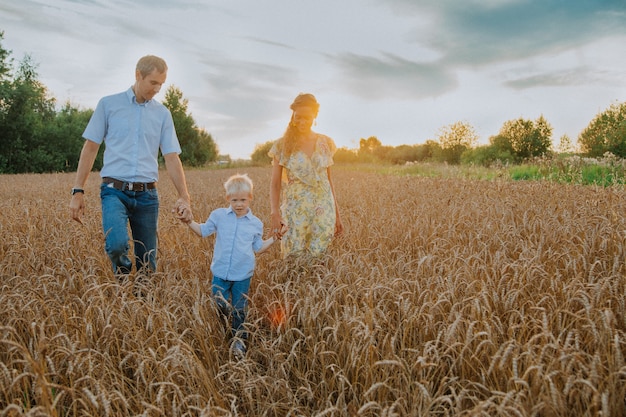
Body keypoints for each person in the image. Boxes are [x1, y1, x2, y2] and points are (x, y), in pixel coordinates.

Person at [69, 55, 193, 279]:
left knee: (147, 264)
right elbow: (90, 148)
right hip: (114, 191)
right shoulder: (108, 105)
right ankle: (123, 277)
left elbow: (172, 157)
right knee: (116, 245)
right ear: (138, 75)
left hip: (147, 196)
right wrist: (78, 190)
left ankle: (141, 305)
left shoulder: (163, 114)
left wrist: (184, 196)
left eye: (161, 84)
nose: (157, 89)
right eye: (153, 82)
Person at [183, 173, 282, 358]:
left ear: (250, 198)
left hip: (243, 274)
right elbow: (203, 231)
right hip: (220, 272)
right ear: (228, 198)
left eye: (243, 200)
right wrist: (189, 222)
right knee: (219, 302)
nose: (239, 204)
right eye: (234, 200)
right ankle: (224, 328)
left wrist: (275, 238)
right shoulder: (219, 216)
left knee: (239, 309)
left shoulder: (255, 223)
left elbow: (259, 248)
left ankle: (239, 342)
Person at [268, 93, 343, 258]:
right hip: (296, 211)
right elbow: (275, 184)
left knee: (320, 260)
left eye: (307, 117)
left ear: (315, 116)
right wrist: (275, 213)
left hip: (324, 210)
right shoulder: (282, 145)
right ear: (292, 115)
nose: (302, 122)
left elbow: (329, 181)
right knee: (293, 259)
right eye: (298, 117)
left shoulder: (326, 143)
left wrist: (337, 215)